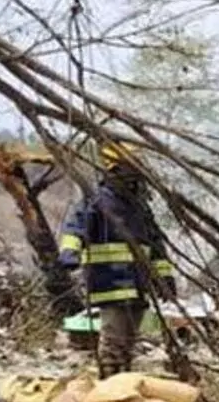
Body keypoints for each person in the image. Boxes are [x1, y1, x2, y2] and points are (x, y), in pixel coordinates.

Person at [58, 143, 176, 378]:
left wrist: (165, 276)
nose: (137, 171)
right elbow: (75, 227)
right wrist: (69, 253)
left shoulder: (139, 206)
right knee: (113, 342)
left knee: (128, 343)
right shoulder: (97, 200)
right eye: (130, 166)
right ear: (115, 168)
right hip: (109, 282)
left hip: (138, 285)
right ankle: (109, 388)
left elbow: (155, 245)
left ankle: (122, 386)